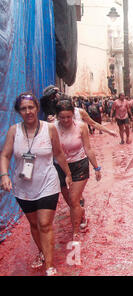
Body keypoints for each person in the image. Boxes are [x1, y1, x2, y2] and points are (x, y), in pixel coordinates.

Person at [0, 92, 72, 276]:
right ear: (19, 111)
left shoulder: (49, 129)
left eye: (31, 107)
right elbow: (5, 155)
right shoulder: (14, 131)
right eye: (23, 108)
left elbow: (58, 154)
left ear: (37, 109)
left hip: (48, 183)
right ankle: (42, 251)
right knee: (34, 224)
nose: (28, 111)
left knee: (45, 223)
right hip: (23, 187)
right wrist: (4, 175)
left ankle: (49, 265)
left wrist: (68, 173)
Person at [54, 100, 101, 241]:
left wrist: (96, 167)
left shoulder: (81, 127)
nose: (66, 120)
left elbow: (88, 148)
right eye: (62, 117)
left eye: (69, 117)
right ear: (57, 116)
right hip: (61, 167)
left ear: (73, 115)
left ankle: (75, 232)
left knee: (74, 199)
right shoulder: (52, 128)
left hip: (79, 165)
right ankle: (82, 213)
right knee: (69, 200)